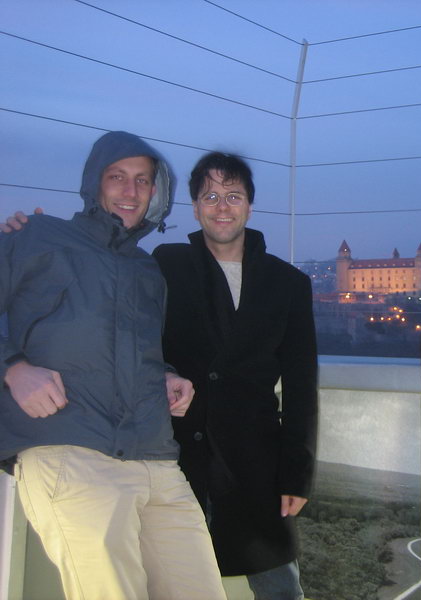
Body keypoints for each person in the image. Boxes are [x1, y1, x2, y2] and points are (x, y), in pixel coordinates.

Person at [0, 131, 226, 600]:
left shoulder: (147, 270)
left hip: (156, 459)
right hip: (70, 453)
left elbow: (133, 351)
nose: (130, 190)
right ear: (94, 182)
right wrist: (13, 368)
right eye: (117, 176)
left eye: (142, 180)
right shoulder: (35, 236)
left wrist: (166, 376)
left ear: (155, 191)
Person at [152, 152, 318, 600]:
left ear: (249, 205)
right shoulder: (167, 266)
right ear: (194, 207)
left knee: (280, 588)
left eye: (233, 195)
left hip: (255, 464)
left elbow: (302, 387)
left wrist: (296, 476)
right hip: (178, 457)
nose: (222, 206)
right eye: (210, 196)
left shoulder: (287, 284)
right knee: (175, 585)